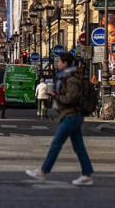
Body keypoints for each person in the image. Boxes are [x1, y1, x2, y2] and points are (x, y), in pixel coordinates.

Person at [26, 53, 94, 186]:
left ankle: (43, 171)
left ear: (65, 63)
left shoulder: (71, 79)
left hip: (72, 115)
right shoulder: (66, 77)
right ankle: (87, 174)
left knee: (56, 144)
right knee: (79, 147)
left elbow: (70, 98)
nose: (57, 64)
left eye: (59, 62)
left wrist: (57, 96)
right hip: (72, 115)